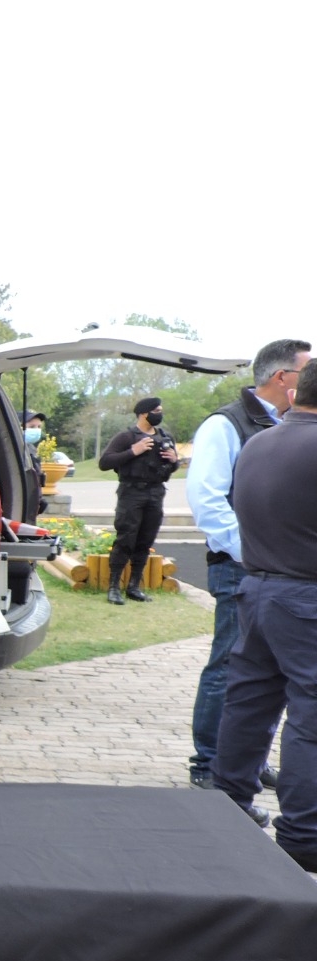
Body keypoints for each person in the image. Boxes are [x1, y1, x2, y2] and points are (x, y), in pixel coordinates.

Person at [185, 338, 310, 794]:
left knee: (266, 680)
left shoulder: (278, 425)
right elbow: (208, 501)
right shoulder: (226, 424)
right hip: (243, 565)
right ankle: (209, 762)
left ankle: (245, 762)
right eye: (306, 371)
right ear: (283, 378)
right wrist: (253, 549)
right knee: (230, 669)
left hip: (271, 568)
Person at [212, 357, 317, 868]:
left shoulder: (261, 442)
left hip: (257, 588)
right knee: (310, 718)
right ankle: (303, 834)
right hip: (305, 597)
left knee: (250, 703)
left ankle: (226, 805)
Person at [97, 397, 178, 604]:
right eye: (156, 410)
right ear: (144, 413)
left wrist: (174, 461)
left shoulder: (165, 436)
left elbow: (170, 466)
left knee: (145, 541)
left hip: (155, 492)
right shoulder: (126, 436)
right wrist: (134, 450)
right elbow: (105, 462)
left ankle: (134, 586)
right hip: (131, 492)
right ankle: (114, 587)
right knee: (126, 538)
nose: (160, 414)